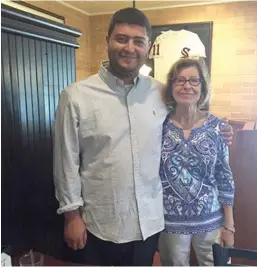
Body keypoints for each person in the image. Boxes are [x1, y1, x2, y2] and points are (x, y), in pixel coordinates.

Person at [53, 7, 233, 266]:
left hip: (149, 224)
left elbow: (190, 111)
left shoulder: (160, 93)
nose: (130, 48)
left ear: (148, 47)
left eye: (138, 41)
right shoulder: (76, 96)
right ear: (108, 41)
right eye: (122, 39)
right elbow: (65, 162)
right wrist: (71, 216)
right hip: (101, 224)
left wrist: (220, 129)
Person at [158, 58, 235, 266]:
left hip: (210, 219)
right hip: (169, 221)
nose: (187, 86)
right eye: (180, 80)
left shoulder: (217, 127)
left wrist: (229, 225)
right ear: (171, 86)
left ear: (203, 86)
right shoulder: (159, 125)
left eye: (194, 80)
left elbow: (224, 176)